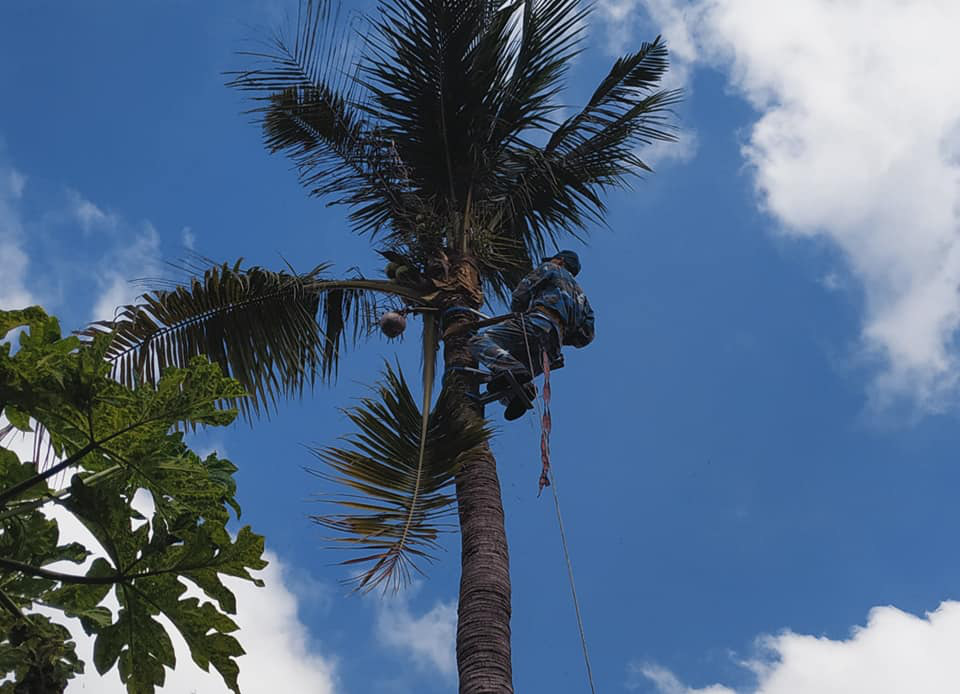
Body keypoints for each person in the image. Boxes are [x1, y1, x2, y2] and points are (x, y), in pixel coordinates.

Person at [468, 250, 595, 420]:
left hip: (537, 322)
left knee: (479, 341)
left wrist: (519, 314)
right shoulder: (582, 298)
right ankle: (523, 390)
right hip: (552, 347)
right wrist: (560, 335)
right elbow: (586, 336)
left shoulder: (551, 268)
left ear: (561, 261)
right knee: (508, 377)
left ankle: (514, 374)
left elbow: (522, 292)